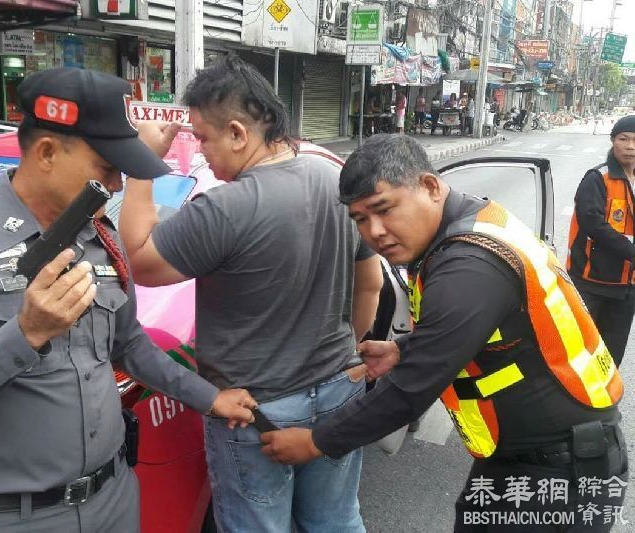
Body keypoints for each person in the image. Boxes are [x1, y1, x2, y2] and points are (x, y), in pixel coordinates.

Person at [0, 68, 257, 532]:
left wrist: (211, 399)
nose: (114, 186)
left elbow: (129, 345)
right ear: (47, 152)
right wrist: (26, 334)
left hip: (113, 500)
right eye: (106, 169)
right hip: (19, 518)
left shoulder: (101, 238)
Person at [261, 134, 628, 532]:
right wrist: (404, 348)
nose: (375, 232)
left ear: (431, 187)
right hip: (523, 459)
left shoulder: (468, 265)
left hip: (561, 469)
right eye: (360, 219)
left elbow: (411, 390)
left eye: (384, 210)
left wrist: (317, 441)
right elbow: (486, 328)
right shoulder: (471, 221)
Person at [119, 55, 383, 532]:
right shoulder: (334, 181)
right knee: (336, 521)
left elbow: (138, 259)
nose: (202, 149)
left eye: (203, 138)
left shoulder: (225, 208)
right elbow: (372, 284)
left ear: (239, 133)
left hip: (256, 411)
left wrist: (141, 166)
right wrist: (345, 358)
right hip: (340, 391)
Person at [567, 115, 635, 368]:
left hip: (626, 285)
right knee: (579, 351)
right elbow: (592, 223)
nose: (630, 146)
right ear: (613, 141)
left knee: (611, 356)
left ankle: (604, 402)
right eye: (624, 139)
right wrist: (631, 251)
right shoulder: (597, 178)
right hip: (590, 281)